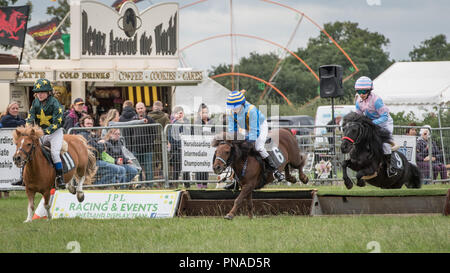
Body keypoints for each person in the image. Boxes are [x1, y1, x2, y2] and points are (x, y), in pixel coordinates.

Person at [226, 90, 285, 188]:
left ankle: (275, 171)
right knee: (236, 150)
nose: (233, 109)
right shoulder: (231, 113)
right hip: (247, 128)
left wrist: (248, 142)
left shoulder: (251, 110)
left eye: (235, 106)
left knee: (259, 147)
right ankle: (236, 180)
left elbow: (254, 131)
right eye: (231, 106)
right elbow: (232, 130)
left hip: (260, 126)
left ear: (241, 104)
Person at [354, 76, 400, 177]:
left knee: (384, 144)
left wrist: (372, 123)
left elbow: (384, 116)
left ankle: (391, 166)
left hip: (384, 123)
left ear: (369, 90)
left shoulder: (376, 100)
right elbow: (358, 116)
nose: (361, 94)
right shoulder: (358, 102)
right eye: (359, 92)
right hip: (372, 123)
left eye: (364, 91)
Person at [26, 78, 65, 189]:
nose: (40, 95)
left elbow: (58, 123)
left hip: (55, 133)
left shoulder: (55, 103)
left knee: (54, 153)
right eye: (38, 92)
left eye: (42, 92)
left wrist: (43, 132)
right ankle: (23, 177)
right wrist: (28, 127)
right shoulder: (35, 102)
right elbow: (31, 116)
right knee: (30, 151)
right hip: (41, 133)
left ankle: (60, 177)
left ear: (48, 92)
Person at [78, 115, 124, 185]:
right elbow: (97, 148)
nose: (90, 126)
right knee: (115, 169)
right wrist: (102, 144)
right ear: (82, 125)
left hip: (97, 160)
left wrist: (101, 144)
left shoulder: (92, 134)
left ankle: (98, 185)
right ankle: (98, 185)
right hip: (90, 163)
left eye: (91, 124)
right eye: (87, 124)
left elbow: (105, 144)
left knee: (118, 169)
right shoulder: (83, 135)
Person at [3, 102, 26, 186]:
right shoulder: (5, 118)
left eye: (17, 108)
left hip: (18, 144)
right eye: (13, 108)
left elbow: (24, 122)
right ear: (8, 110)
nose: (15, 110)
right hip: (6, 145)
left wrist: (22, 122)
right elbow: (21, 123)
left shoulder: (19, 118)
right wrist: (21, 123)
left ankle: (23, 178)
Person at [168, 105, 190, 188]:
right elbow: (170, 138)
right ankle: (175, 185)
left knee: (186, 168)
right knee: (176, 169)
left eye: (181, 113)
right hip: (176, 150)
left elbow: (190, 134)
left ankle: (187, 185)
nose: (179, 115)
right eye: (177, 113)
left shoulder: (187, 123)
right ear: (174, 114)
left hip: (186, 149)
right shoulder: (172, 124)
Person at [134, 102, 156, 183]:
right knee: (137, 168)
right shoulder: (133, 120)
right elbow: (130, 133)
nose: (140, 110)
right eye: (138, 108)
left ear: (145, 109)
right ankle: (139, 184)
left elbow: (154, 133)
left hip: (147, 148)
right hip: (136, 148)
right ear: (136, 110)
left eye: (141, 108)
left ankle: (149, 184)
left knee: (148, 167)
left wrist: (149, 143)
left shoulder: (150, 120)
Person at [194, 103, 214, 189]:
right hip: (199, 147)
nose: (205, 114)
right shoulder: (197, 122)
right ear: (199, 113)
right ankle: (199, 185)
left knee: (206, 165)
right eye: (203, 112)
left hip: (208, 147)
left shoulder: (211, 122)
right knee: (199, 166)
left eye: (206, 112)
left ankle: (205, 184)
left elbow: (214, 132)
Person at [148, 101, 170, 178]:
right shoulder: (165, 117)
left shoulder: (148, 117)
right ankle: (167, 180)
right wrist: (167, 140)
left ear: (153, 108)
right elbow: (167, 130)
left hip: (150, 143)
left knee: (151, 163)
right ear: (162, 108)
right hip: (161, 142)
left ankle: (151, 181)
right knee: (165, 162)